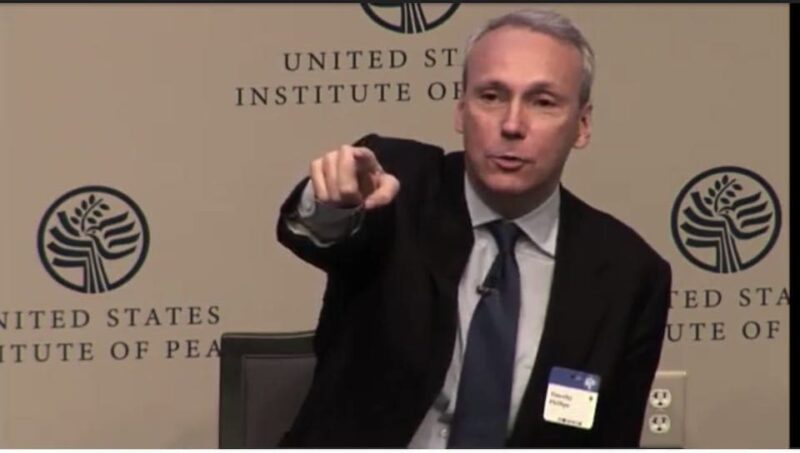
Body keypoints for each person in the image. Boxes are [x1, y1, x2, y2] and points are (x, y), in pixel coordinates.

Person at [276, 8, 671, 448]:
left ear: (582, 125)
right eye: (491, 97)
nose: (512, 125)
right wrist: (332, 203)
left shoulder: (628, 274)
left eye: (543, 102)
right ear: (461, 111)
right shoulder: (399, 187)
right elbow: (326, 235)